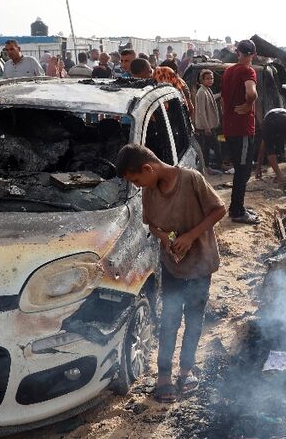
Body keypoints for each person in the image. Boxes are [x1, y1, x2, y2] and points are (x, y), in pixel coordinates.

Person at [115, 143, 226, 403]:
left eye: (137, 179)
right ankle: (164, 374)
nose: (138, 185)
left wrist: (190, 236)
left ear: (147, 168)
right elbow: (151, 224)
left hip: (200, 263)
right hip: (173, 266)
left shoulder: (191, 179)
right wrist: (165, 237)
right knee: (170, 320)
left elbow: (219, 209)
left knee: (194, 319)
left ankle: (186, 369)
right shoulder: (150, 190)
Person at [221, 39, 260, 224]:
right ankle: (237, 211)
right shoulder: (248, 70)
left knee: (241, 169)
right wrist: (248, 104)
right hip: (242, 129)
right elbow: (251, 92)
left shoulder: (229, 70)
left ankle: (238, 207)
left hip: (230, 127)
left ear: (238, 52)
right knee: (243, 171)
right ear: (253, 54)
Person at [194, 69, 222, 171]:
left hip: (209, 125)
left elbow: (211, 98)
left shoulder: (207, 90)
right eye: (207, 79)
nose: (210, 80)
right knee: (214, 146)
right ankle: (218, 165)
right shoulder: (201, 92)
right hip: (206, 126)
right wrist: (206, 127)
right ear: (202, 80)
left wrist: (220, 94)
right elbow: (201, 111)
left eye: (211, 78)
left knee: (207, 147)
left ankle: (207, 166)